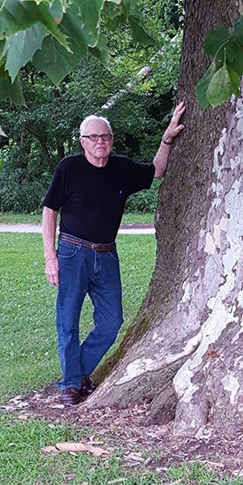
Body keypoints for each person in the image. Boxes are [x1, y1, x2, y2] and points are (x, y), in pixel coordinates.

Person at [41, 103, 185, 405]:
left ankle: (77, 373)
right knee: (67, 321)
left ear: (112, 140)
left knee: (112, 322)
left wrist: (167, 138)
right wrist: (50, 258)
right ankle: (70, 384)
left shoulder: (120, 168)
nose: (99, 142)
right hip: (72, 252)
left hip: (106, 256)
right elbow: (49, 211)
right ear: (82, 142)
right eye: (93, 137)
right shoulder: (69, 168)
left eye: (104, 137)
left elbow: (156, 171)